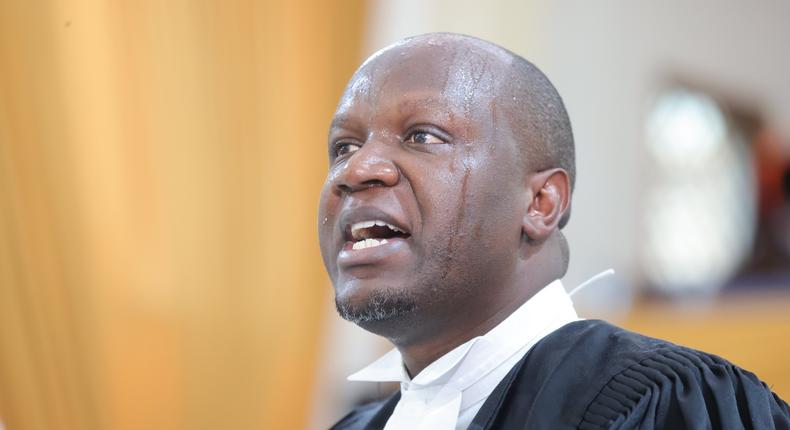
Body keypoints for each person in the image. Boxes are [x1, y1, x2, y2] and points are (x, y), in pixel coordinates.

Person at [317, 33, 790, 430]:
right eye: (344, 146)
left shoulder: (669, 407)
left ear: (541, 204)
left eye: (422, 135)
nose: (357, 168)